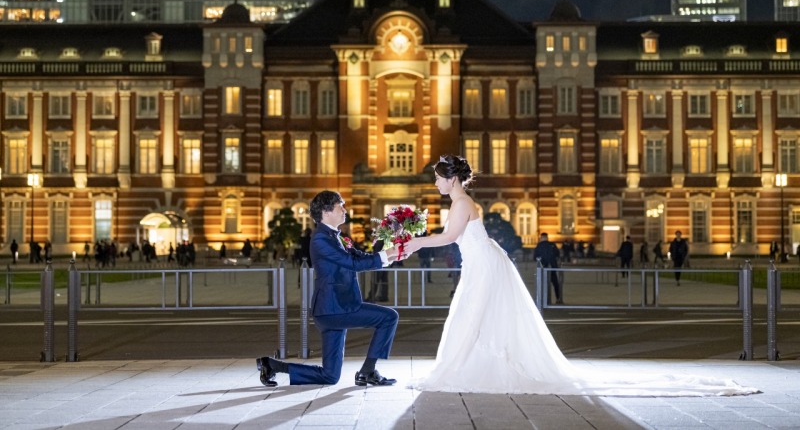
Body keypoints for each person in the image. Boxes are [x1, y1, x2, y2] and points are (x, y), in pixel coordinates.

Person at [402, 154, 756, 396]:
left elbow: (449, 237)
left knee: (472, 315)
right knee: (473, 316)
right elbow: (452, 237)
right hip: (482, 264)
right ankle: (470, 364)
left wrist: (416, 242)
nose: (435, 183)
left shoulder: (462, 203)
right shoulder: (460, 202)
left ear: (451, 178)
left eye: (437, 177)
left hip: (483, 266)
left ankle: (469, 367)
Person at [256, 190, 406, 387]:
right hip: (334, 308)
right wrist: (386, 255)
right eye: (340, 207)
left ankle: (272, 365)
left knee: (330, 376)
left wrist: (392, 256)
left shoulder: (334, 236)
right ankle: (368, 371)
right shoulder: (320, 239)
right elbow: (350, 262)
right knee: (389, 317)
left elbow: (359, 257)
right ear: (326, 212)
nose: (345, 210)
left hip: (334, 308)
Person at [533, 232, 561, 304]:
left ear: (541, 238)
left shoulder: (539, 245)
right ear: (547, 237)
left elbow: (535, 257)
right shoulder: (552, 245)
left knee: (542, 283)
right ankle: (558, 298)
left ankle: (543, 300)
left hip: (543, 267)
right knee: (555, 283)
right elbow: (557, 254)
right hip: (552, 267)